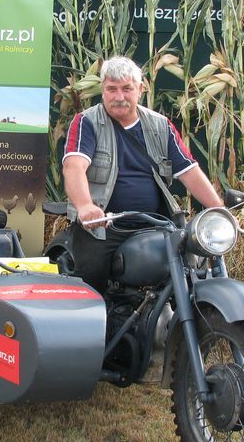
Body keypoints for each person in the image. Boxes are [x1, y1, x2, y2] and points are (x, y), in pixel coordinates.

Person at [62, 56, 224, 294]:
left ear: (140, 88)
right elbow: (74, 167)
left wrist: (219, 210)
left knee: (191, 271)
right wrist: (86, 207)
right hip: (104, 228)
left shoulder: (160, 126)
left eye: (127, 88)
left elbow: (189, 170)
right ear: (102, 90)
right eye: (112, 89)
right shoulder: (87, 122)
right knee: (89, 287)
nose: (119, 96)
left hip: (156, 224)